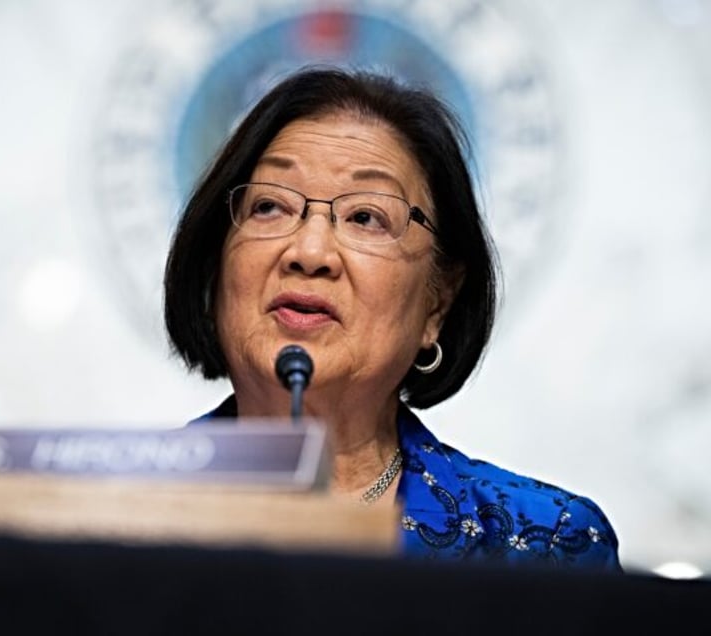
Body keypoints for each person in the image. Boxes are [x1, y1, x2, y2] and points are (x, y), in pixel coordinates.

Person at [163, 65, 621, 570]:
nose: (309, 251)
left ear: (437, 302)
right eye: (271, 206)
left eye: (366, 217)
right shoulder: (110, 516)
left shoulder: (543, 547)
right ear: (215, 266)